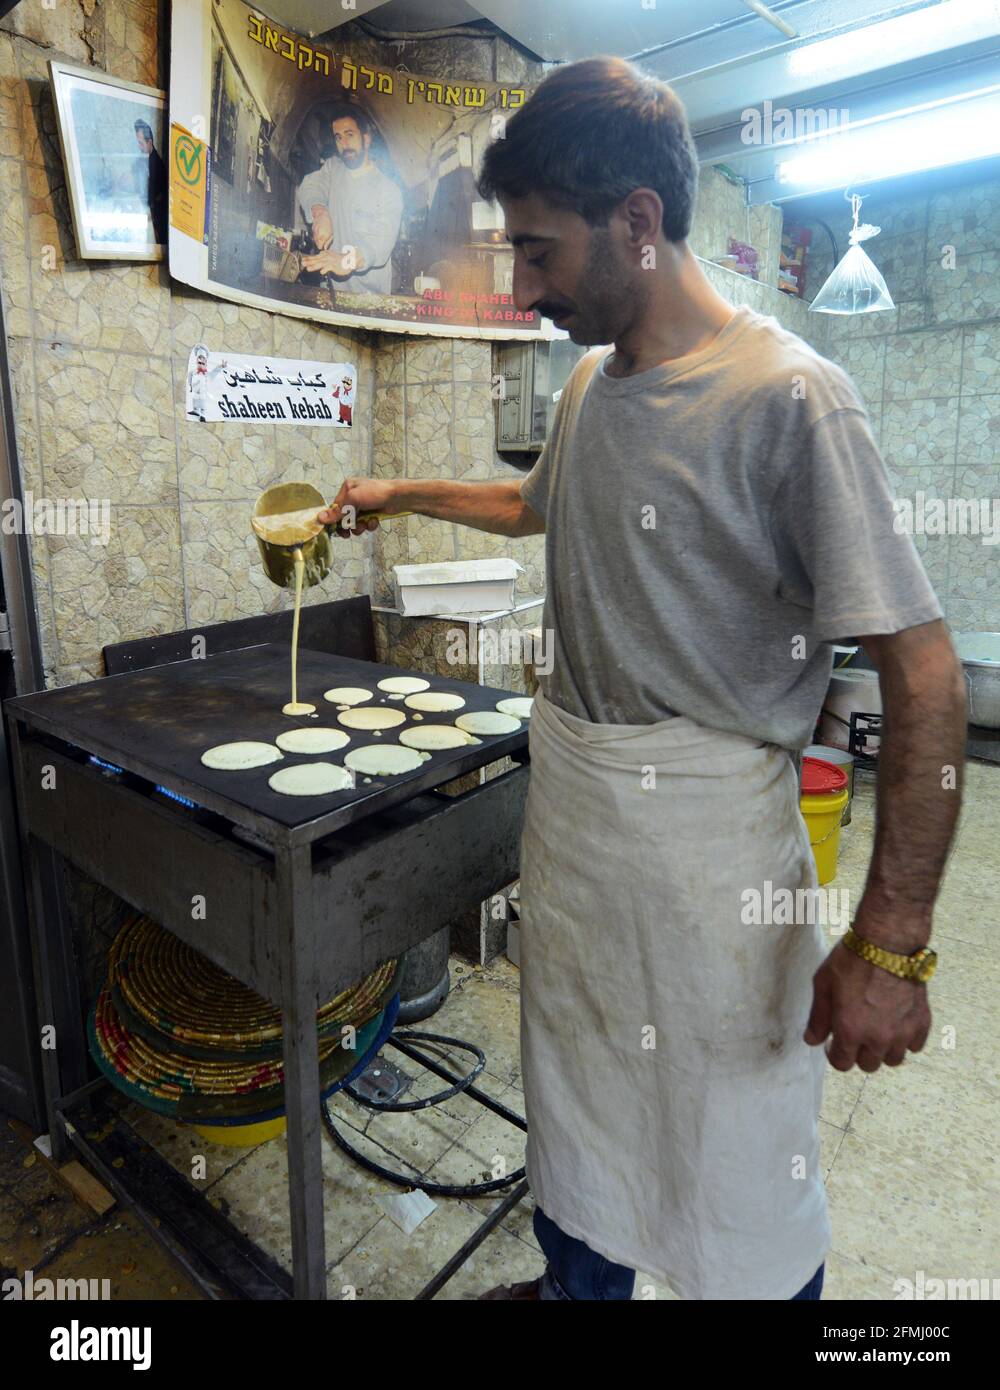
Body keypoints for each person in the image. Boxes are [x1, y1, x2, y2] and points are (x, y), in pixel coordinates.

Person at [319, 58, 967, 1301]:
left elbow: (921, 666)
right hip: (583, 823)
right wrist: (397, 490)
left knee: (730, 1147)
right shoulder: (587, 383)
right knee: (579, 1094)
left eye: (542, 253)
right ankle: (577, 1290)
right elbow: (533, 506)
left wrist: (891, 943)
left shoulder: (788, 400)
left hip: (708, 851)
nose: (524, 287)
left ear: (638, 222)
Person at [297, 104, 403, 295]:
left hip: (370, 297)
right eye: (338, 137)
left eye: (350, 134)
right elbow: (310, 185)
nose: (344, 144)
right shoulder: (333, 168)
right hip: (331, 290)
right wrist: (320, 212)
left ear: (366, 139)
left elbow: (380, 245)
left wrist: (346, 261)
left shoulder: (389, 190)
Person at [133, 118, 167, 245]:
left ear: (150, 142)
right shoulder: (144, 160)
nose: (139, 146)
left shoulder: (157, 165)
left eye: (141, 143)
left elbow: (154, 199)